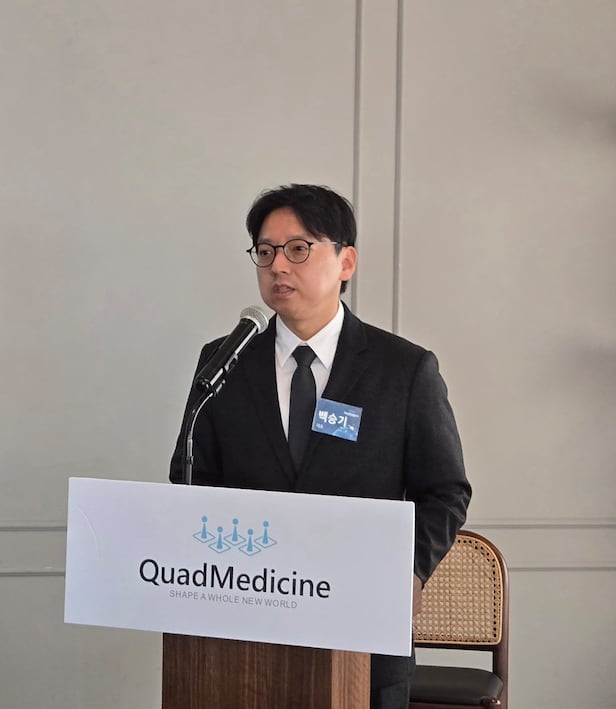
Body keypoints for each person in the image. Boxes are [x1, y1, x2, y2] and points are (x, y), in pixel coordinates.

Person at [170, 184, 471, 709]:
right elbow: (192, 478)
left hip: (362, 633)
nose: (277, 266)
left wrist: (408, 569)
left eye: (298, 249)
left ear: (345, 261)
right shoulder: (224, 362)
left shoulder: (404, 369)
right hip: (243, 633)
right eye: (265, 251)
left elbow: (445, 490)